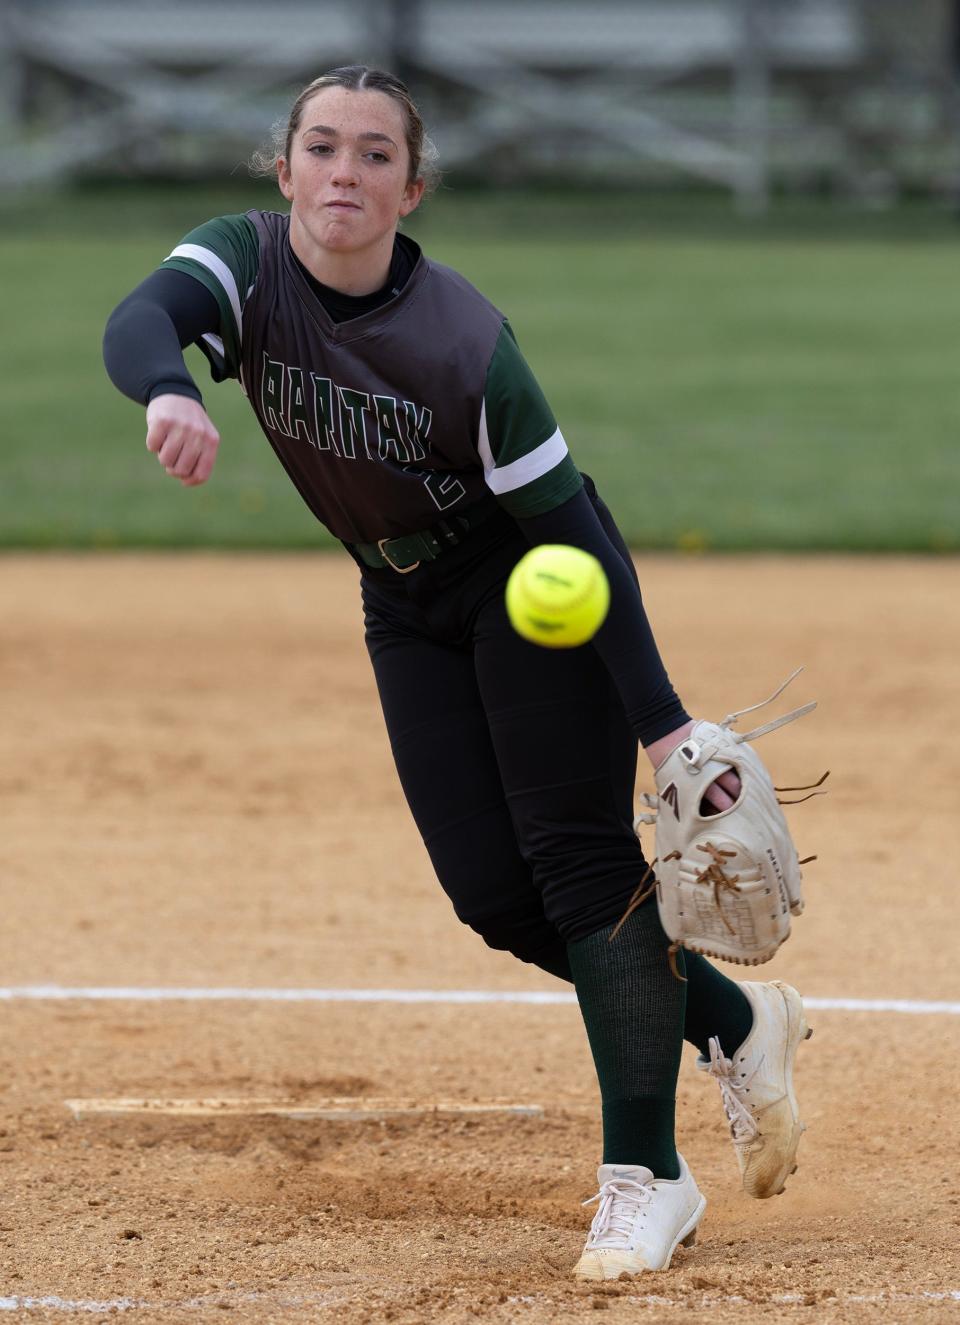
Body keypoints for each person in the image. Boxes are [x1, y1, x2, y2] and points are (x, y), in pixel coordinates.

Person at [103, 65, 811, 1280]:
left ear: (409, 187)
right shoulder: (248, 263)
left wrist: (658, 724)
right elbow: (141, 320)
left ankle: (646, 1175)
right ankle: (737, 1021)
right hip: (403, 595)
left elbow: (575, 540)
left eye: (374, 154)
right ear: (283, 174)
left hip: (531, 583)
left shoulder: (464, 341)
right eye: (320, 147)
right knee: (492, 893)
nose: (343, 171)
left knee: (582, 868)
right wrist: (173, 388)